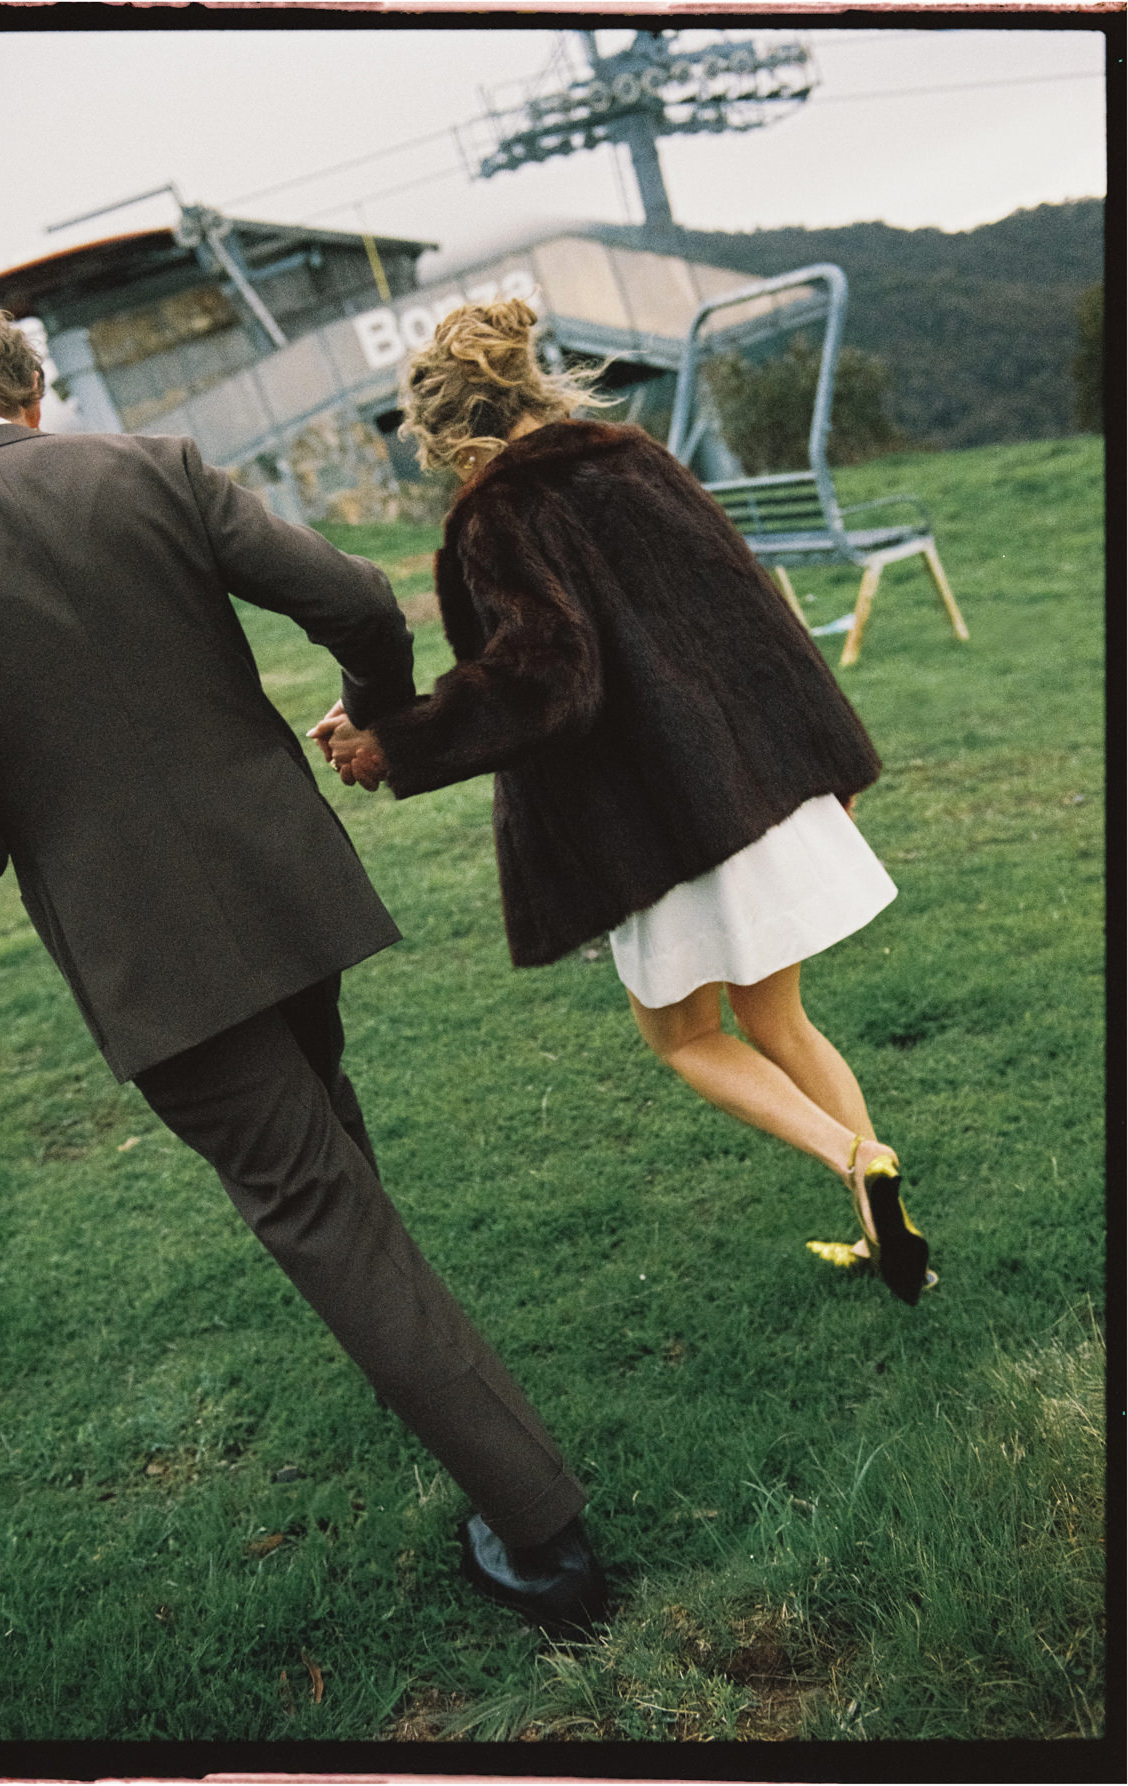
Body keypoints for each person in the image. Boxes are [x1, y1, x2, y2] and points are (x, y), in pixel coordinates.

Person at [0, 297, 608, 1639]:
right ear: (32, 394)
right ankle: (438, 1372)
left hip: (146, 945)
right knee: (329, 1157)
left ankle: (544, 1532)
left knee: (320, 1210)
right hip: (281, 877)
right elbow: (359, 599)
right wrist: (372, 701)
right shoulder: (148, 466)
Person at [319, 298, 929, 1303]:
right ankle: (882, 1227)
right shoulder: (636, 459)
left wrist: (394, 741)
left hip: (657, 824)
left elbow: (549, 676)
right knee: (779, 1020)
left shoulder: (494, 515)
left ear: (445, 434)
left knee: (688, 1038)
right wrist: (834, 759)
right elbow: (750, 605)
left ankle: (857, 1160)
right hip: (754, 788)